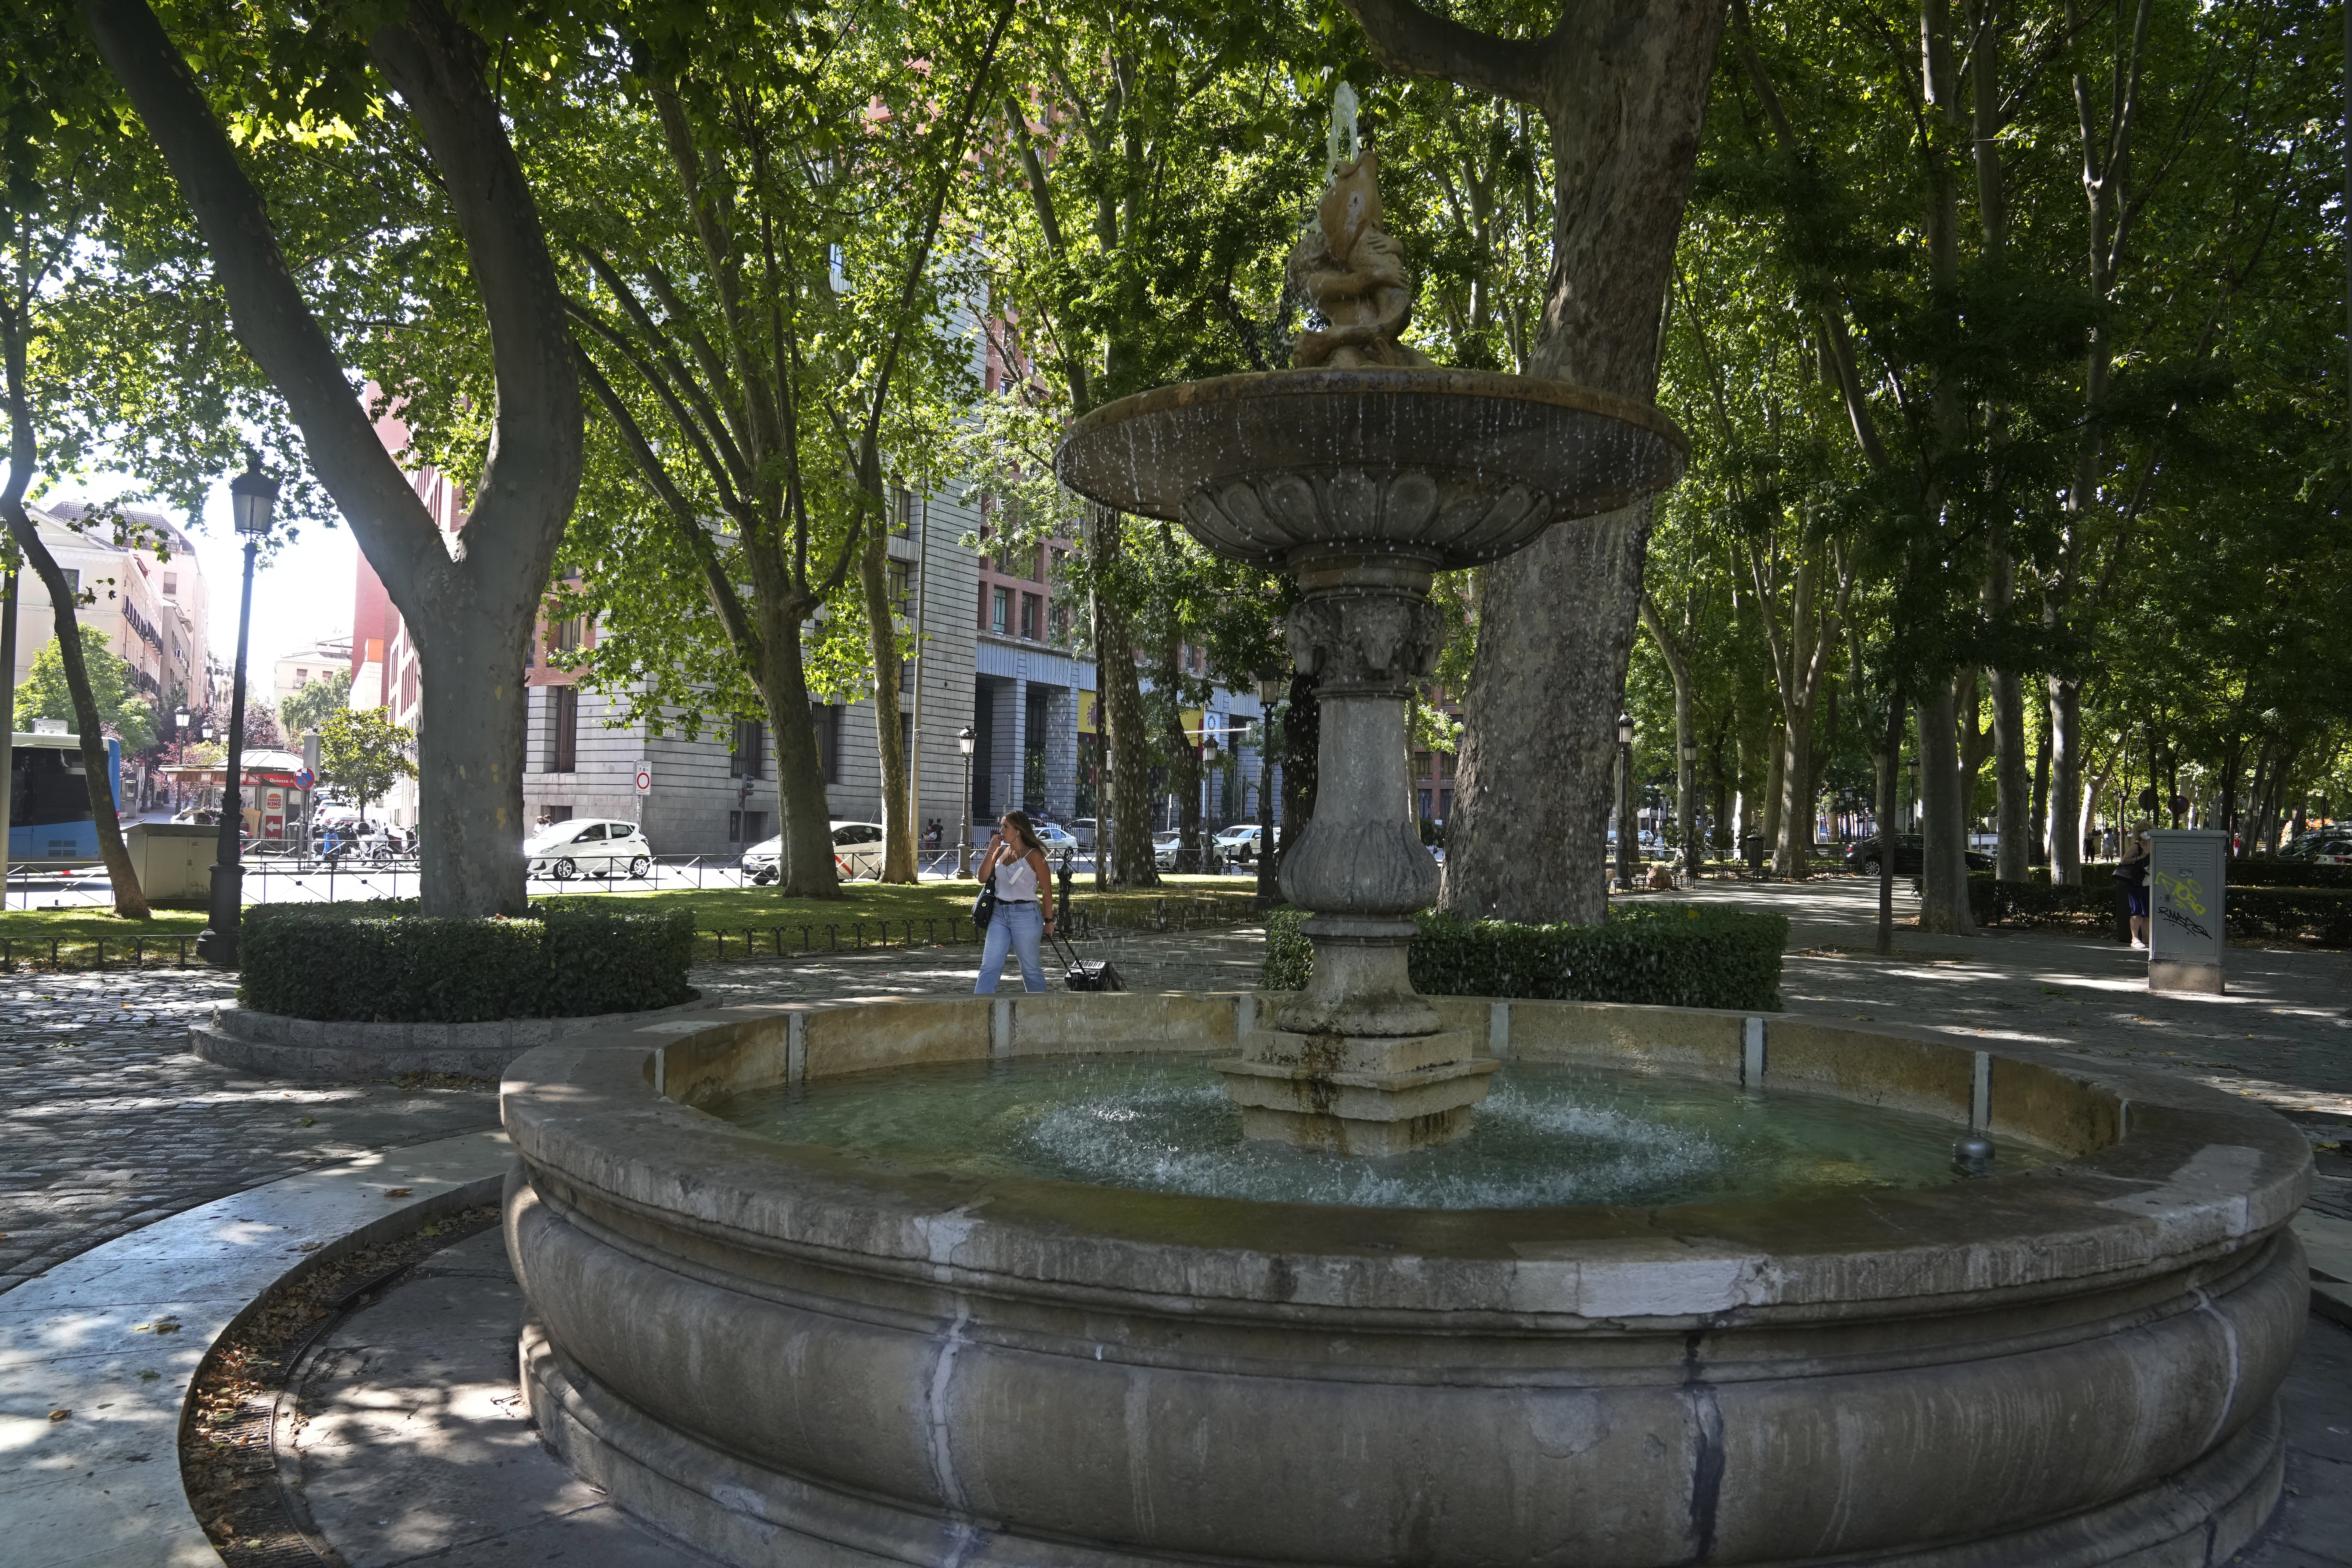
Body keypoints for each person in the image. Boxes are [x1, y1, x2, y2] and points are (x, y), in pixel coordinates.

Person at [973, 810, 1055, 994]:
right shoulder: (1001, 851)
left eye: (1006, 827)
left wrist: (1049, 921)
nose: (1001, 830)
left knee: (1030, 969)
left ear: (1018, 830)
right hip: (999, 914)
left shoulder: (1035, 856)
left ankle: (1039, 1013)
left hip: (1026, 915)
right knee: (990, 966)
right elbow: (982, 878)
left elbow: (1047, 891)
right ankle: (979, 1009)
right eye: (1001, 826)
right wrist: (990, 852)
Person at [2117, 822, 2153, 949]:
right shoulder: (2136, 846)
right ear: (2138, 833)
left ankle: (2146, 939)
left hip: (2149, 882)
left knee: (2147, 913)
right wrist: (2141, 857)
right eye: (2143, 831)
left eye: (2148, 830)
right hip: (2136, 882)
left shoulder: (2154, 845)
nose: (2146, 832)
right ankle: (2135, 939)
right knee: (2137, 910)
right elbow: (2124, 861)